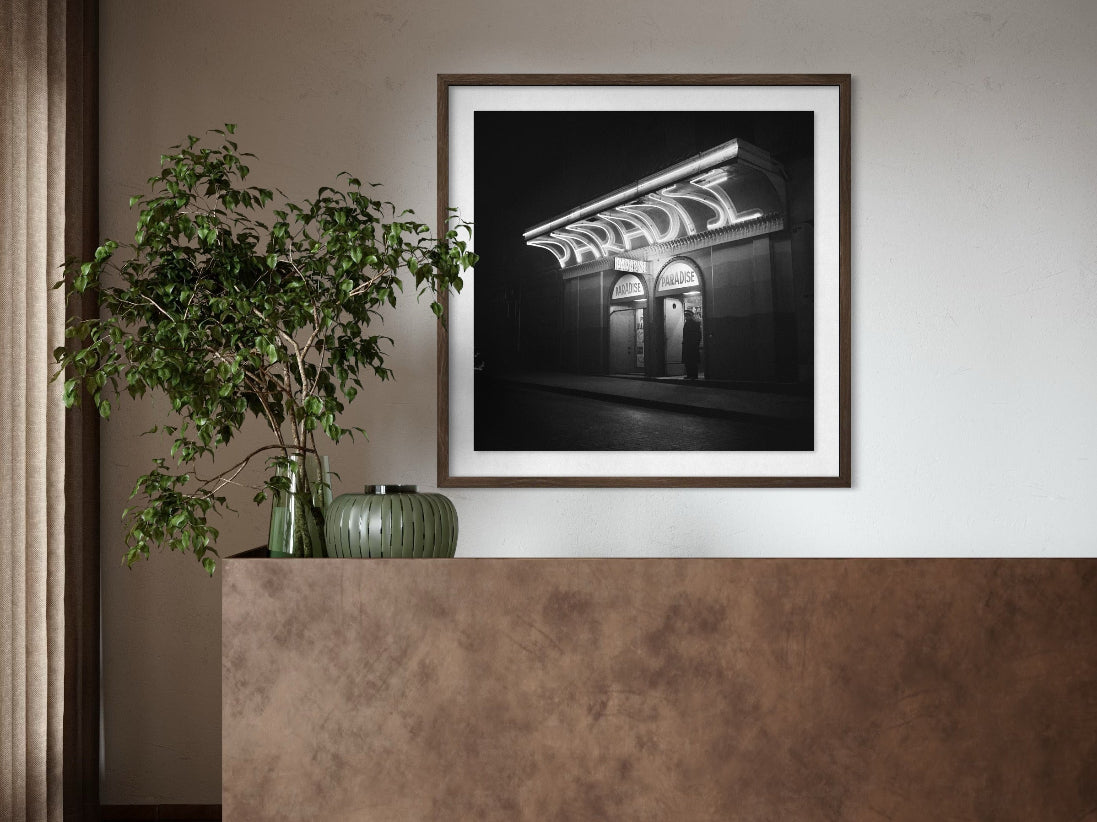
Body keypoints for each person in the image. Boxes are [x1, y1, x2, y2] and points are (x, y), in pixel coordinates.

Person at [682, 308, 702, 380]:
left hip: (692, 346)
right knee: (688, 361)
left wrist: (695, 344)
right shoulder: (687, 324)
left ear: (691, 316)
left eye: (687, 316)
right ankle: (690, 375)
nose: (686, 317)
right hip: (688, 346)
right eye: (685, 316)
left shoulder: (694, 324)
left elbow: (698, 336)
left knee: (692, 361)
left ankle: (693, 375)